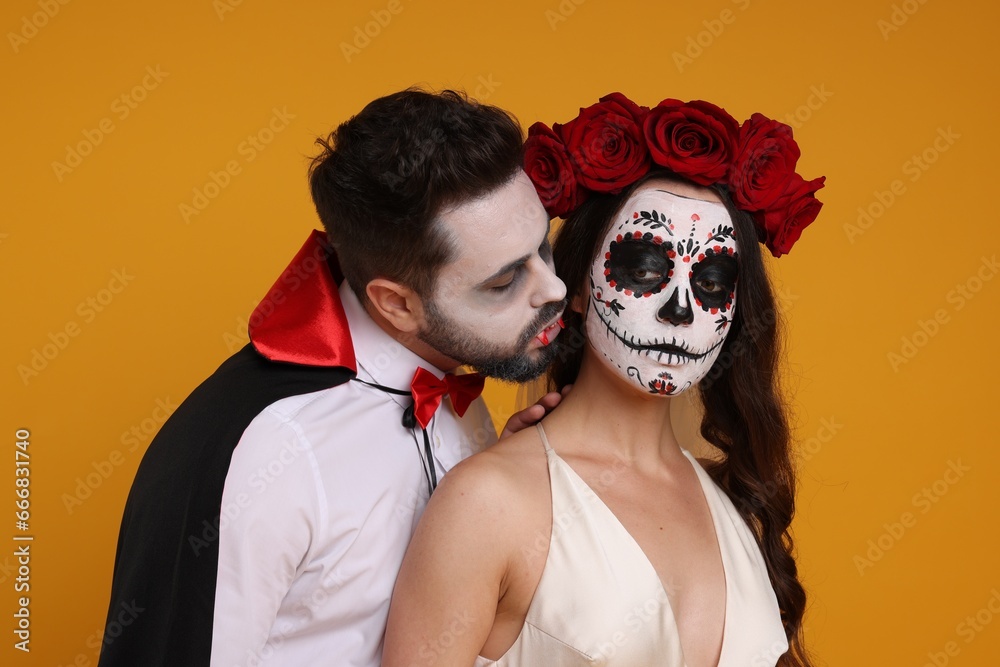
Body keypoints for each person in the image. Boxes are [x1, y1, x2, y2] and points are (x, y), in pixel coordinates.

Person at [97, 88, 569, 667]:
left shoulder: (458, 396)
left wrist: (506, 482)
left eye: (542, 248)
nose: (553, 289)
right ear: (396, 304)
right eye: (503, 283)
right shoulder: (262, 453)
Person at [382, 93, 824, 666]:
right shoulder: (488, 504)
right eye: (645, 268)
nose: (681, 311)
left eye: (714, 282)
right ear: (582, 284)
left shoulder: (732, 503)